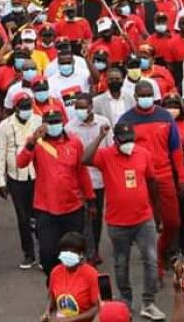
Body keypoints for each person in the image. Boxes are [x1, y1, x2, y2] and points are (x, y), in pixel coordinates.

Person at [82, 123, 165, 320]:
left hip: (144, 219)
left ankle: (149, 302)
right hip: (118, 222)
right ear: (116, 140)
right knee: (121, 264)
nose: (128, 144)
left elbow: (152, 182)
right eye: (124, 140)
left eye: (130, 139)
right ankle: (125, 302)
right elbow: (85, 159)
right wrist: (100, 137)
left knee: (151, 261)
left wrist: (157, 214)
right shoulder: (106, 155)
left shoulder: (143, 154)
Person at [118, 81, 184, 276]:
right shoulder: (126, 119)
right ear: (136, 96)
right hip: (139, 178)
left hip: (164, 174)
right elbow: (121, 150)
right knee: (146, 224)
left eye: (149, 94)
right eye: (142, 95)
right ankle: (155, 266)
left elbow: (175, 149)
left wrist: (181, 176)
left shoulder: (165, 117)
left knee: (173, 222)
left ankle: (161, 251)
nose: (145, 98)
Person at [16, 110, 95, 277]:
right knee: (47, 254)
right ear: (43, 125)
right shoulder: (37, 143)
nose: (54, 126)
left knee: (74, 254)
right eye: (50, 122)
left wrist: (91, 199)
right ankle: (54, 284)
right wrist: (31, 142)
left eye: (57, 121)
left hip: (73, 207)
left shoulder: (74, 142)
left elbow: (82, 173)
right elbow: (21, 163)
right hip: (46, 209)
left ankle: (73, 287)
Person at [0, 92, 41, 269]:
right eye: (23, 107)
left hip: (36, 174)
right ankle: (28, 253)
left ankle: (43, 250)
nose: (26, 110)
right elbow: (0, 153)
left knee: (40, 216)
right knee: (23, 218)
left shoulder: (38, 121)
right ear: (15, 108)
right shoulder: (5, 125)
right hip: (16, 176)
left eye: (28, 106)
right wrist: (1, 181)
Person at [65, 93, 112, 265]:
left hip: (99, 179)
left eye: (83, 107)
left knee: (96, 217)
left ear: (91, 106)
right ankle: (85, 251)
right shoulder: (70, 128)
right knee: (82, 218)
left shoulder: (103, 123)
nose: (80, 110)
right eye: (77, 107)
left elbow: (110, 148)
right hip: (79, 179)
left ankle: (95, 248)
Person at [42, 232, 99, 322]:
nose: (68, 254)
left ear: (81, 254)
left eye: (73, 251)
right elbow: (51, 299)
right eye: (65, 250)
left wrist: (70, 320)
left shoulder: (91, 274)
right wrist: (47, 312)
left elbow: (98, 308)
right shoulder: (56, 272)